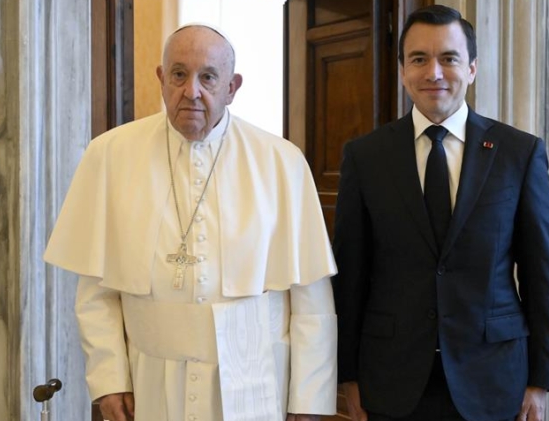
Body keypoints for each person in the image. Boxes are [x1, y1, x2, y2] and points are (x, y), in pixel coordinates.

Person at [44, 24, 338, 421]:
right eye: (179, 74)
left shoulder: (281, 161)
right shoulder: (110, 154)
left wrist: (308, 401)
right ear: (162, 79)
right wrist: (109, 379)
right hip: (151, 378)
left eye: (208, 77)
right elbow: (96, 292)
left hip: (256, 380)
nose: (192, 91)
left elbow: (311, 301)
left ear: (232, 87)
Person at [332, 5, 549, 421]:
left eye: (449, 58)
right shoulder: (365, 156)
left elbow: (541, 273)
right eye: (419, 59)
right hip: (390, 381)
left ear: (471, 68)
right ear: (403, 70)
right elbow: (350, 276)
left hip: (494, 379)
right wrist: (347, 375)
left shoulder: (519, 153)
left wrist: (541, 380)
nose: (433, 73)